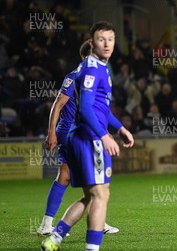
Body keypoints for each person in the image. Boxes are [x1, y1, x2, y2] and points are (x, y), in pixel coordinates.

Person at [41, 21, 135, 251]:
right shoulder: (93, 68)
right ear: (92, 42)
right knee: (101, 194)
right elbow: (84, 109)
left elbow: (101, 108)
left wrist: (120, 127)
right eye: (101, 39)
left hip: (81, 135)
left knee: (91, 197)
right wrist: (104, 135)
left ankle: (54, 238)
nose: (107, 44)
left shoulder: (97, 66)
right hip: (88, 137)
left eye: (111, 39)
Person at [37, 40, 119, 236]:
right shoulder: (75, 76)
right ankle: (93, 222)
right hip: (71, 133)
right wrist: (52, 132)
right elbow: (57, 105)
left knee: (65, 176)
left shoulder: (95, 75)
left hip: (78, 132)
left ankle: (47, 224)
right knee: (90, 177)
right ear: (85, 57)